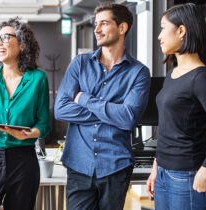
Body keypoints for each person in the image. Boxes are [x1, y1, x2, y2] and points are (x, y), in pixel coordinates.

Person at [54, 2, 151, 209]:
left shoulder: (138, 73)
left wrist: (84, 99)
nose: (97, 30)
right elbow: (61, 109)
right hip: (78, 164)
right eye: (96, 24)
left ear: (122, 28)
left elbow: (127, 119)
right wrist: (113, 110)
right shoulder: (80, 63)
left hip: (115, 166)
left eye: (104, 23)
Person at [147, 3, 206, 209]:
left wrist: (205, 171)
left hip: (187, 177)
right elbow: (167, 128)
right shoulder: (172, 74)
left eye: (162, 28)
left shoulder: (200, 78)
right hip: (164, 174)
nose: (159, 36)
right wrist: (155, 167)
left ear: (181, 30)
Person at [0, 17, 51, 209]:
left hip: (23, 160)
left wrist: (29, 134)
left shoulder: (38, 79)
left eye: (6, 37)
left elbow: (43, 124)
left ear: (22, 44)